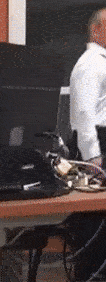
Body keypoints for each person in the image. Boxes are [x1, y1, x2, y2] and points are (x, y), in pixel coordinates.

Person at [69, 7, 106, 166]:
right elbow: (84, 111)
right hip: (99, 145)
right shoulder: (91, 63)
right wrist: (92, 156)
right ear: (95, 29)